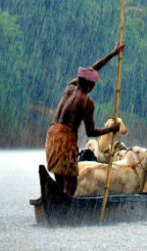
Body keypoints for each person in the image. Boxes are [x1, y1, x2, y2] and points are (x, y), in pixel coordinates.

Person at [45, 42, 125, 195]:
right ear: (91, 84)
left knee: (59, 174)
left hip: (52, 133)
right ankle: (65, 209)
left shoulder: (70, 87)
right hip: (65, 137)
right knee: (71, 180)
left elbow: (92, 69)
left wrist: (113, 53)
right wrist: (111, 129)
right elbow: (91, 132)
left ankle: (60, 201)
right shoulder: (86, 102)